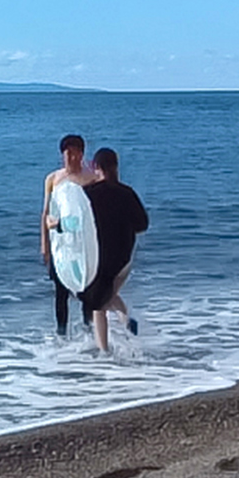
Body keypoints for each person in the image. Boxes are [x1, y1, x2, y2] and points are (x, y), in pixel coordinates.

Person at [79, 147, 149, 352]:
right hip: (123, 259)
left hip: (97, 258)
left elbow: (77, 226)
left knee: (97, 304)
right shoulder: (127, 193)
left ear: (95, 167)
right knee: (107, 294)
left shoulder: (88, 194)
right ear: (116, 167)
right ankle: (126, 319)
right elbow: (142, 225)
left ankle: (104, 352)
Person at [40, 134, 103, 335]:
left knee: (86, 290)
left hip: (83, 242)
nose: (72, 158)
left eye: (76, 153)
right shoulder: (53, 179)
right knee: (60, 294)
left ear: (82, 154)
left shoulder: (91, 178)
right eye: (68, 154)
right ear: (62, 155)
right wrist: (44, 246)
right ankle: (61, 335)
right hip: (61, 244)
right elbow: (46, 213)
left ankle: (88, 332)